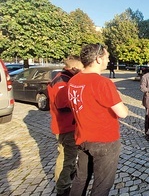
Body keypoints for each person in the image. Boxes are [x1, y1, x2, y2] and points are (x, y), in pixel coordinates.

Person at [67, 43, 129, 196]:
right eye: (107, 57)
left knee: (80, 179)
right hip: (105, 141)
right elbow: (123, 113)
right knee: (102, 186)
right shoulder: (103, 83)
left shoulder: (73, 81)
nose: (108, 61)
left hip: (82, 138)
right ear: (98, 59)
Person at [47, 55, 83, 196]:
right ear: (74, 67)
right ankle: (63, 188)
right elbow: (63, 105)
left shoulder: (66, 78)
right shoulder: (62, 81)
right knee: (67, 158)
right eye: (81, 67)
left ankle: (66, 182)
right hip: (65, 128)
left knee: (68, 157)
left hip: (68, 126)